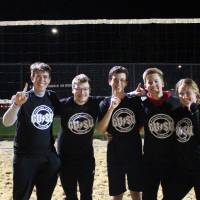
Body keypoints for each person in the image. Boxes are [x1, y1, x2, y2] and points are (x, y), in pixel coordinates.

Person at [2, 62, 60, 200]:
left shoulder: (52, 97)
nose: (42, 80)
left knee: (45, 196)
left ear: (49, 79)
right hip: (25, 157)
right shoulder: (23, 97)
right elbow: (6, 122)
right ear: (32, 78)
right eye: (38, 76)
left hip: (47, 157)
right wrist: (16, 105)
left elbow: (68, 112)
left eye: (45, 76)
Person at [96, 66, 143, 200]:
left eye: (122, 80)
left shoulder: (134, 101)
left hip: (134, 149)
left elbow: (141, 126)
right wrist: (111, 109)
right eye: (115, 80)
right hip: (115, 151)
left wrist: (129, 134)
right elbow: (99, 130)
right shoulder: (104, 103)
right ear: (109, 81)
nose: (118, 83)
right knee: (117, 192)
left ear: (126, 82)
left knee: (136, 190)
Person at [57, 74, 105, 200]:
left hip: (86, 157)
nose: (82, 92)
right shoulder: (63, 104)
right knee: (70, 195)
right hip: (65, 157)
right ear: (72, 89)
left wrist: (134, 93)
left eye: (85, 89)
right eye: (78, 88)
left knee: (86, 195)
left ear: (89, 90)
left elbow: (117, 98)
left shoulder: (95, 102)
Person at [140, 67, 179, 200]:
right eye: (149, 82)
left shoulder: (175, 103)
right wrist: (111, 132)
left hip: (171, 159)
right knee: (148, 196)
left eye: (156, 81)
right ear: (145, 86)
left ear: (163, 83)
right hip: (150, 160)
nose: (153, 84)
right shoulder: (142, 104)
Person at [168, 78, 200, 200]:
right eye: (181, 93)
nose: (184, 96)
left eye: (188, 93)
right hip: (183, 168)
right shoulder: (177, 113)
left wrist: (194, 111)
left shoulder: (198, 110)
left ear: (195, 93)